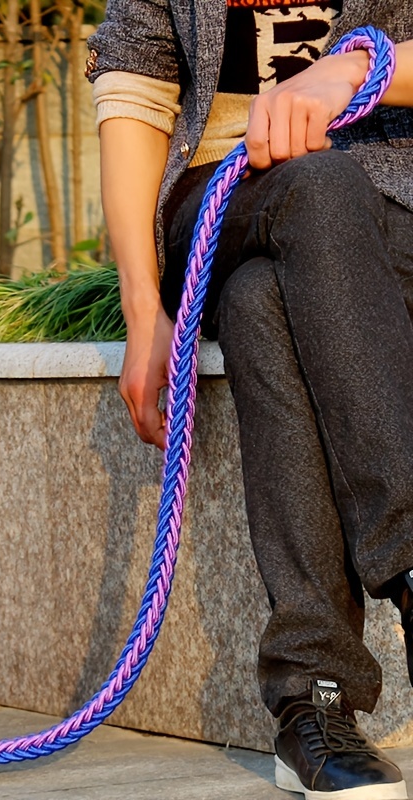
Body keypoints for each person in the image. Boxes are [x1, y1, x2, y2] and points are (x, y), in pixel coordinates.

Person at [86, 1, 413, 798]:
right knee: (315, 185)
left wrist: (353, 70)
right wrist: (143, 311)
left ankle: (315, 702)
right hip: (226, 200)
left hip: (391, 203)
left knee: (263, 303)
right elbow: (133, 102)